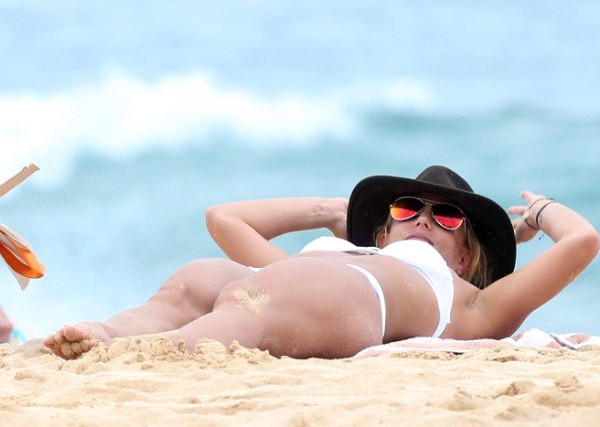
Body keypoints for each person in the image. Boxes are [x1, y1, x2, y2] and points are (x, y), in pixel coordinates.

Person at [43, 166, 599, 360]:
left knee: (251, 305)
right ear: (384, 230)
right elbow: (224, 220)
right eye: (407, 208)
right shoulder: (354, 249)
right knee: (192, 283)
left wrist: (536, 214)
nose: (425, 219)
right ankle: (106, 334)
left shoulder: (476, 303)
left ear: (465, 257)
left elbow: (582, 241)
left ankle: (141, 355)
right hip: (301, 282)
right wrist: (334, 213)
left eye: (448, 217)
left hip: (344, 298)